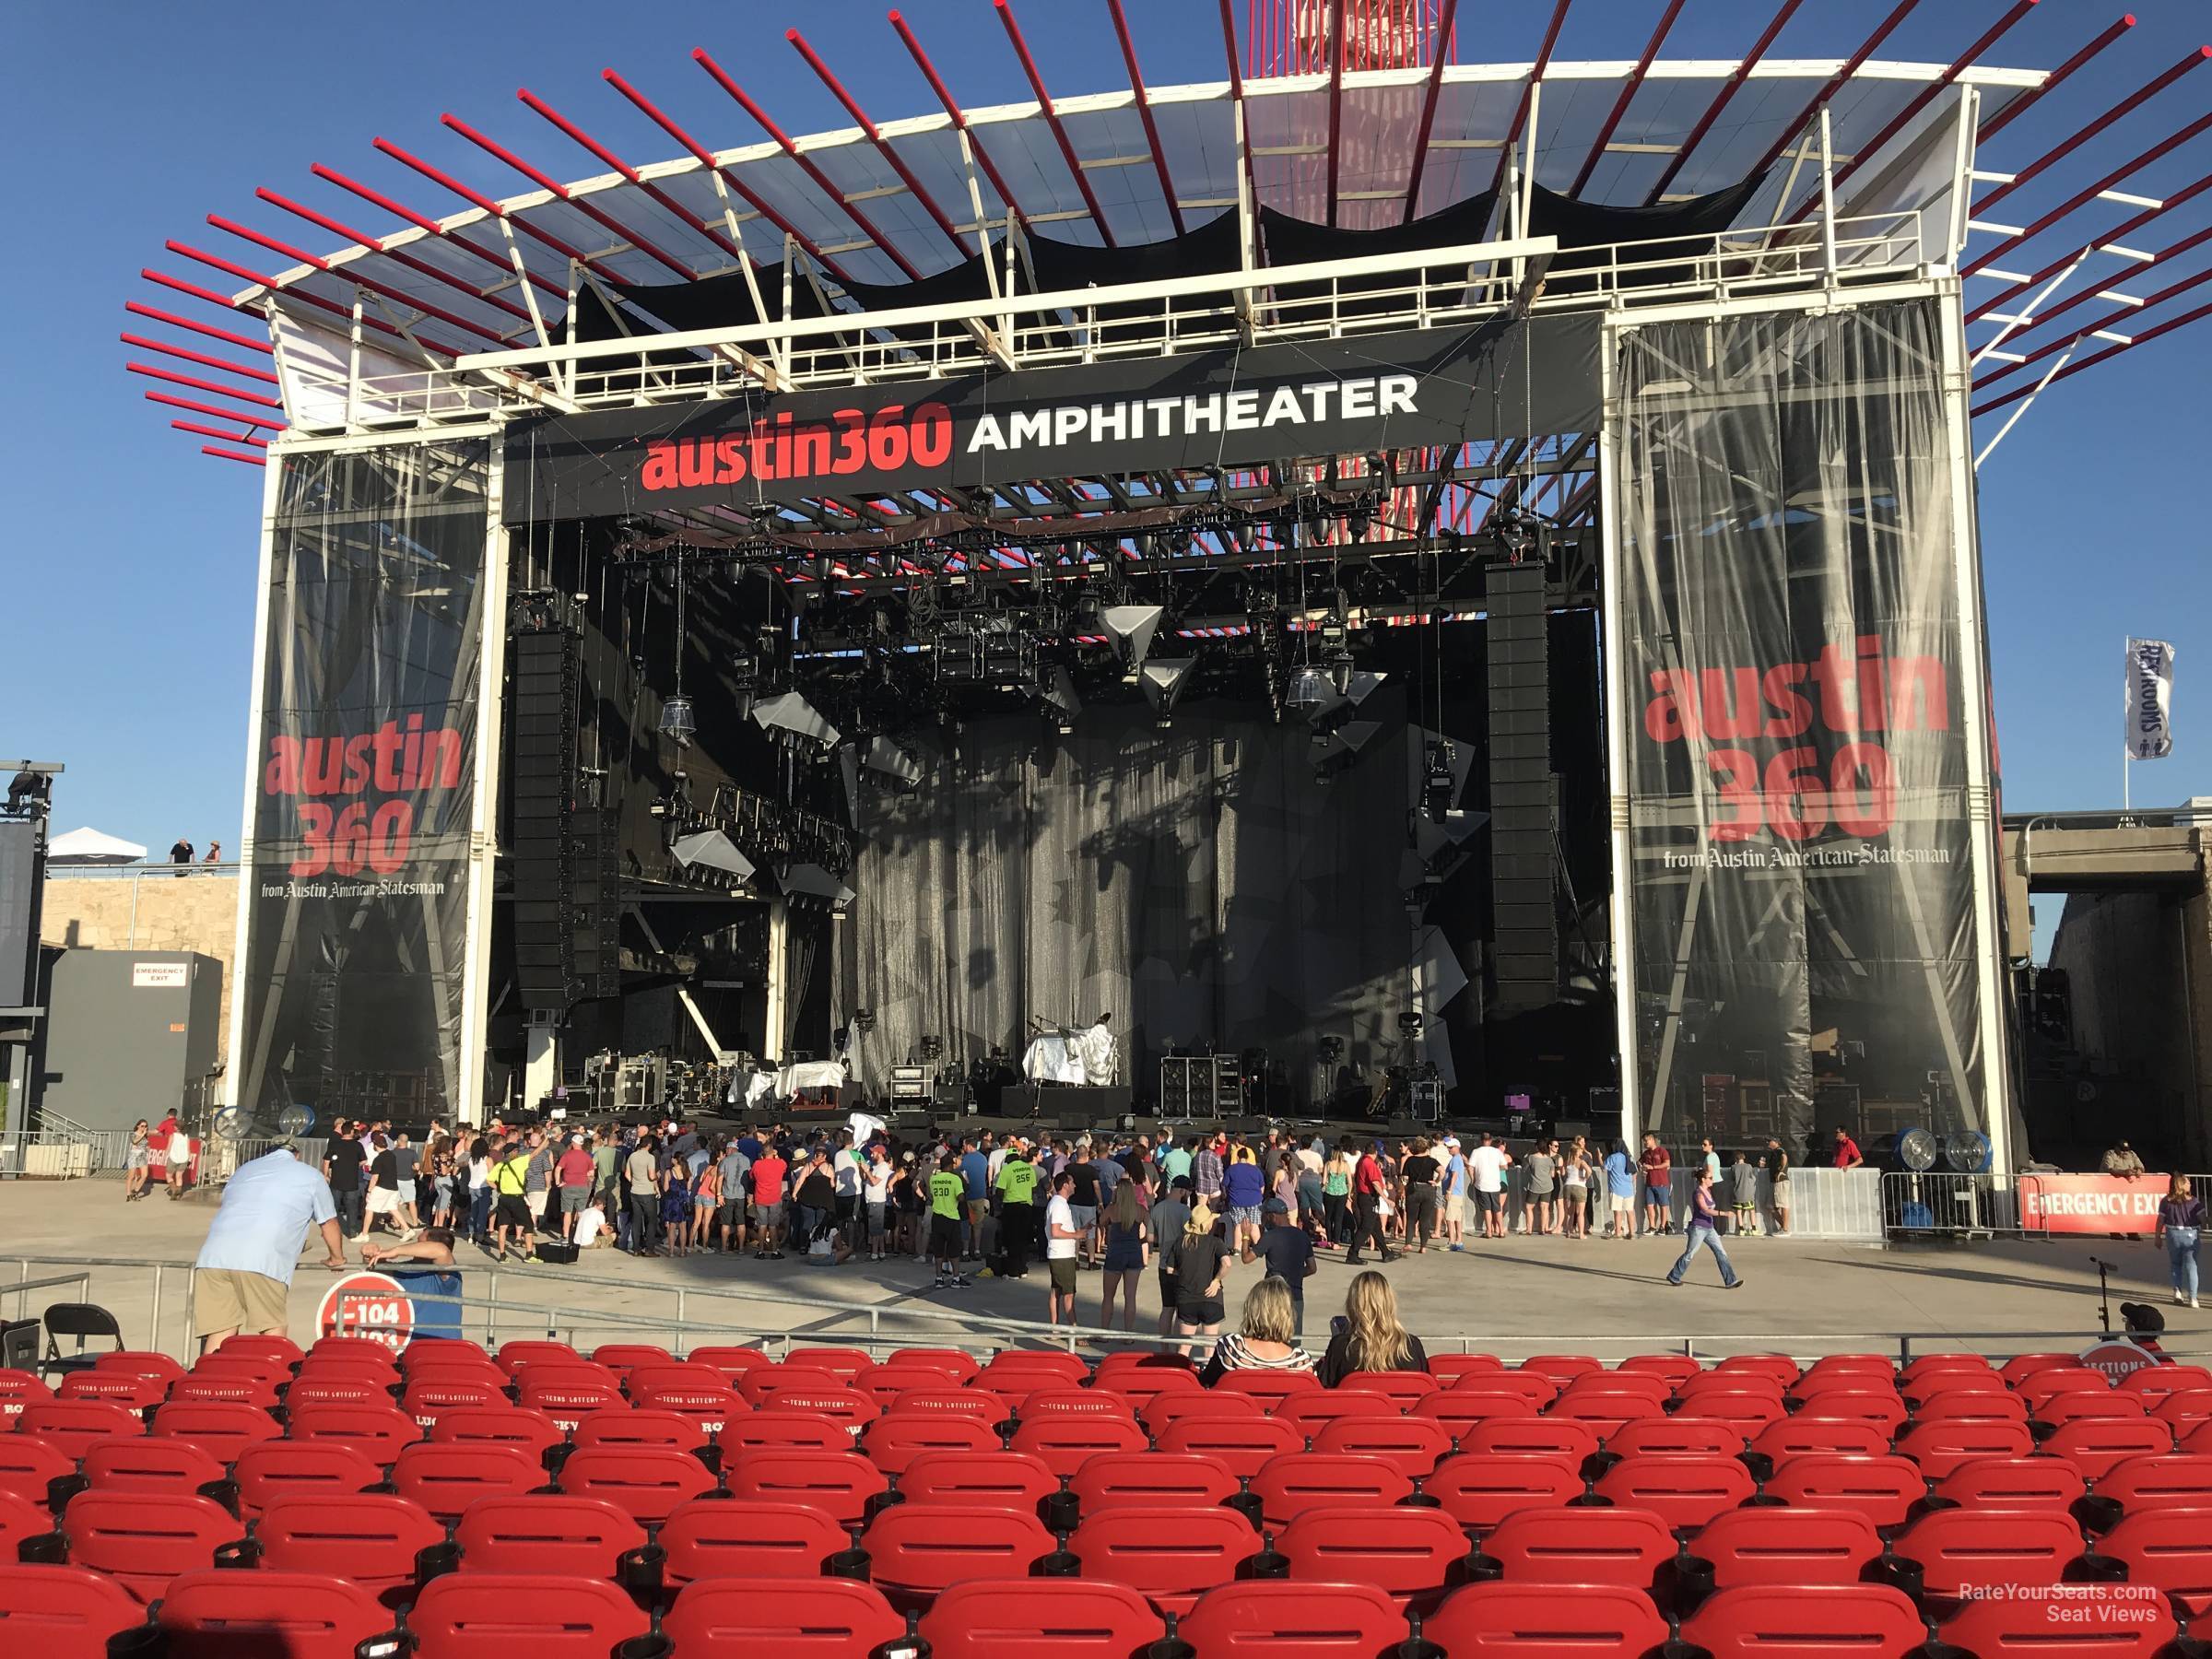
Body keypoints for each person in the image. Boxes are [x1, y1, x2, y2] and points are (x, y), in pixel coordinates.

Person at [192, 1142, 345, 1354]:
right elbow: (329, 1224)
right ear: (296, 1155)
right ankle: (268, 1381)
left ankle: (210, 1382)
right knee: (272, 1328)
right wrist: (336, 1258)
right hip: (262, 1261)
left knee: (220, 1332)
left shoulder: (244, 1170)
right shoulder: (310, 1175)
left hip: (213, 1258)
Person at [1316, 1270, 1429, 1386]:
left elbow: (1325, 1390)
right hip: (1402, 1405)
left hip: (1355, 1404)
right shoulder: (1412, 1346)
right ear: (1389, 1302)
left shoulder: (1342, 1347)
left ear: (1353, 1305)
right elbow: (1426, 1388)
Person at [1199, 1277, 1314, 1384]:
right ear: (1288, 1314)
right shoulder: (1302, 1363)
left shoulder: (1231, 1347)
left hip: (1238, 1406)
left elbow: (1206, 1384)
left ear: (1251, 1309)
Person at [1242, 1196, 1318, 1335]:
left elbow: (1246, 1258)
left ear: (1273, 1216)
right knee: (1293, 1338)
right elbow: (1312, 1268)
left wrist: (1246, 1236)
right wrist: (1295, 1274)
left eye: (1266, 1215)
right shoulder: (1302, 1236)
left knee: (1271, 1334)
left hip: (1273, 1295)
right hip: (1295, 1293)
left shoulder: (1270, 1237)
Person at [1665, 1167, 1745, 1290]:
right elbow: (1705, 1210)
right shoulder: (1698, 1193)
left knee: (1721, 1253)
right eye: (1710, 1178)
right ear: (1703, 1179)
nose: (1712, 1180)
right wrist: (1724, 1214)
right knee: (1690, 1254)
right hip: (1698, 1228)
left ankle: (1730, 1281)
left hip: (1709, 1228)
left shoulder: (1708, 1191)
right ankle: (1674, 1276)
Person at [1168, 1201, 1232, 1342]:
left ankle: (1182, 1365)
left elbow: (1170, 1270)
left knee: (1184, 1346)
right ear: (1208, 1224)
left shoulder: (1180, 1241)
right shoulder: (1215, 1242)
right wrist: (1216, 1280)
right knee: (1209, 1347)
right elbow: (1227, 1263)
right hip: (1211, 1299)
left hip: (1186, 1299)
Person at [1098, 1177, 1148, 1330]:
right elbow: (1150, 1230)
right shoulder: (1140, 1209)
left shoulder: (1112, 1209)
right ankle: (1128, 1334)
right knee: (1130, 1296)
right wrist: (1143, 1239)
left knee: (1108, 1296)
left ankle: (1104, 1331)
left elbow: (1101, 1222)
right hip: (1134, 1252)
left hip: (1115, 1253)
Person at [1151, 1177, 1193, 1337]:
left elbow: (1149, 1237)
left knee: (1167, 1308)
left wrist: (1163, 1238)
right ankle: (1177, 1346)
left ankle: (1164, 1348)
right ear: (1182, 1191)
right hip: (1181, 1265)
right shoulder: (1184, 1211)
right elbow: (1189, 1237)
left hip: (1163, 1264)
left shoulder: (1157, 1208)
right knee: (1181, 1310)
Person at [1043, 1170, 1085, 1329]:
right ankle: (1073, 1330)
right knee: (1068, 1294)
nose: (1075, 1185)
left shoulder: (1058, 1203)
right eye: (1072, 1182)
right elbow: (1056, 1231)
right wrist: (1076, 1235)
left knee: (1056, 1291)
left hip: (1058, 1254)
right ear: (1066, 1185)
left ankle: (1055, 1328)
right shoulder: (1059, 1204)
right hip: (1062, 1255)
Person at [1345, 1140, 1398, 1265]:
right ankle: (1352, 1254)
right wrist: (1386, 1198)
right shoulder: (1369, 1164)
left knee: (1376, 1227)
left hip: (1365, 1197)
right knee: (1366, 1227)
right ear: (1375, 1153)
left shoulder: (1362, 1161)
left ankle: (1386, 1252)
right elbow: (1375, 1183)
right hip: (1368, 1198)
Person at [2155, 1174, 2204, 1310]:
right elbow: (2202, 1219)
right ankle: (2193, 1298)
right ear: (2182, 1184)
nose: (2190, 1184)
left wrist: (2157, 1236)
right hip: (2191, 1234)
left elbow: (2160, 1220)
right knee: (2191, 1266)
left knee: (2176, 1264)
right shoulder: (2194, 1202)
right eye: (2188, 1182)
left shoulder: (2166, 1201)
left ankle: (2177, 1291)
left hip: (2173, 1234)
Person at [929, 1151, 969, 1289]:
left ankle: (939, 1278)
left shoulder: (933, 1179)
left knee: (939, 1250)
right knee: (954, 1250)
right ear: (951, 1165)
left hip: (937, 1216)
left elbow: (933, 1195)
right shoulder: (955, 1179)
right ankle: (956, 1278)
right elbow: (961, 1198)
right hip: (952, 1217)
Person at [490, 1139, 535, 1262]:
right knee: (528, 1224)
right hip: (516, 1198)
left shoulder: (500, 1165)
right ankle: (529, 1254)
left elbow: (489, 1180)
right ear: (512, 1153)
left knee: (502, 1226)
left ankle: (502, 1255)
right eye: (516, 1150)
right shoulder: (519, 1162)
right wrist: (546, 1139)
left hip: (503, 1198)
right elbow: (535, 1153)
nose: (518, 1152)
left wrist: (499, 1189)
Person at [624, 1133, 664, 1258]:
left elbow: (627, 1174)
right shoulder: (650, 1157)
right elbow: (652, 1176)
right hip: (647, 1192)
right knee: (651, 1220)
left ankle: (636, 1249)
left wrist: (634, 1182)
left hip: (635, 1191)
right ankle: (649, 1249)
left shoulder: (632, 1156)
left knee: (637, 1220)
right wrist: (658, 1177)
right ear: (649, 1145)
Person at [1467, 1133, 1512, 1241]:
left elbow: (1470, 1167)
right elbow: (1505, 1166)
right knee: (1497, 1208)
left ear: (1481, 1140)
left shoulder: (1476, 1152)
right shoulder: (1497, 1152)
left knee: (1487, 1209)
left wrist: (1473, 1178)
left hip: (1482, 1184)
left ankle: (1489, 1231)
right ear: (1491, 1140)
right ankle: (1501, 1231)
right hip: (1495, 1184)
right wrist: (1495, 1168)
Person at [1222, 1146, 1266, 1254]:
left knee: (1238, 1224)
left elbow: (1224, 1185)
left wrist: (1225, 1196)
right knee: (1254, 1224)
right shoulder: (1255, 1169)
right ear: (1247, 1157)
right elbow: (1262, 1186)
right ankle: (1258, 1248)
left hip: (1236, 1200)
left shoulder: (1231, 1169)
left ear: (1237, 1157)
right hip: (1254, 1199)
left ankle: (1237, 1248)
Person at [749, 1139, 788, 1260]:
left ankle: (760, 1251)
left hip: (760, 1197)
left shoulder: (757, 1164)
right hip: (774, 1198)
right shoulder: (780, 1163)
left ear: (762, 1153)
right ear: (773, 1152)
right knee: (773, 1226)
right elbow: (784, 1168)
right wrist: (776, 1156)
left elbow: (751, 1176)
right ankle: (774, 1250)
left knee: (762, 1225)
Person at [554, 1134, 595, 1242]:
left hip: (568, 1186)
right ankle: (582, 1236)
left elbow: (558, 1169)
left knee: (567, 1212)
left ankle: (566, 1237)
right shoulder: (587, 1157)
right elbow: (591, 1175)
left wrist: (558, 1182)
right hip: (583, 1186)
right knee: (581, 1212)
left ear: (573, 1143)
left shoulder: (567, 1155)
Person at [361, 1228, 456, 1268]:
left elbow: (441, 1250)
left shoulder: (447, 1274)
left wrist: (396, 1251)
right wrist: (371, 1255)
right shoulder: (409, 1267)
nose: (414, 1246)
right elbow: (383, 1273)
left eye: (420, 1243)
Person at [863, 1144, 894, 1263]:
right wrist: (865, 1170)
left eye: (874, 1152)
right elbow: (868, 1179)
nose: (871, 1154)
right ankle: (881, 1252)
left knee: (875, 1229)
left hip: (877, 1200)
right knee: (878, 1229)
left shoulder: (883, 1167)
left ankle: (874, 1254)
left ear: (880, 1153)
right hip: (872, 1199)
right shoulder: (875, 1166)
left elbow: (875, 1181)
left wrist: (867, 1171)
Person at [1639, 1134, 1674, 1236]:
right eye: (1644, 1141)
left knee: (1663, 1205)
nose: (1645, 1143)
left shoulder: (1662, 1151)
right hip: (1649, 1183)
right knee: (1649, 1205)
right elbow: (1639, 1162)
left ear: (1652, 1140)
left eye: (1646, 1140)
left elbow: (1667, 1164)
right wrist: (1642, 1167)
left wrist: (1653, 1167)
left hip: (1661, 1183)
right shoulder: (1646, 1153)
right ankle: (1652, 1226)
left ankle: (1662, 1227)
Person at [1524, 1139, 1558, 1238]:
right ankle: (1542, 1229)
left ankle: (1529, 1229)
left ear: (1536, 1147)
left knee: (1529, 1207)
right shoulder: (1549, 1159)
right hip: (1547, 1186)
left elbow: (1524, 1168)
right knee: (1544, 1208)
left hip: (1534, 1186)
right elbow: (1552, 1174)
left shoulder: (1531, 1158)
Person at [1603, 1142, 1636, 1240]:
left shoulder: (1613, 1157)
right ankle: (1631, 1233)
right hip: (1629, 1189)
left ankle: (1618, 1233)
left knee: (1617, 1211)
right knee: (1630, 1211)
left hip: (1616, 1188)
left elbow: (1604, 1168)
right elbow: (1635, 1173)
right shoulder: (1630, 1157)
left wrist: (1599, 1158)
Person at [1323, 1141, 1353, 1247]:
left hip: (1329, 1192)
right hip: (1342, 1193)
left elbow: (1324, 1181)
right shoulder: (1345, 1165)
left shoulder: (1328, 1164)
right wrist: (1349, 1194)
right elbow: (1350, 1182)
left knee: (1329, 1217)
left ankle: (1329, 1240)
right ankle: (1336, 1242)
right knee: (1338, 1218)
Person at [1560, 1137, 1591, 1240]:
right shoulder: (1581, 1162)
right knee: (1580, 1213)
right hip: (1579, 1186)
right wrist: (1584, 1178)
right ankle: (1581, 1234)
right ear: (1577, 1151)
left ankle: (1568, 1232)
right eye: (1580, 1150)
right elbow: (1589, 1171)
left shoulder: (1567, 1162)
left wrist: (1566, 1179)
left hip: (1568, 1186)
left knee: (1569, 1212)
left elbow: (1562, 1173)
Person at [1763, 1137, 1792, 1237]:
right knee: (1771, 1206)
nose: (1768, 1143)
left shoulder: (1779, 1150)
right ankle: (1784, 1226)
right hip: (1775, 1182)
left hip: (1781, 1181)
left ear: (1776, 1142)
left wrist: (1782, 1171)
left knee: (1783, 1204)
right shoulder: (1774, 1152)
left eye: (1769, 1141)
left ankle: (1785, 1229)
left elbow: (1784, 1157)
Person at [1727, 1150, 1760, 1236]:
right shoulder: (1749, 1166)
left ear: (1736, 1159)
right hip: (1748, 1193)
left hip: (1737, 1193)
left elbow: (1732, 1179)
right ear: (1744, 1158)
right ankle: (1754, 1229)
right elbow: (1752, 1177)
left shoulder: (1733, 1167)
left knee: (1739, 1210)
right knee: (1751, 1211)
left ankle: (1741, 1229)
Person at [163, 1113, 193, 1199]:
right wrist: (189, 1158)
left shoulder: (172, 1136)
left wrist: (165, 1156)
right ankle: (178, 1194)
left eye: (175, 1126)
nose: (173, 1127)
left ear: (178, 1128)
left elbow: (168, 1147)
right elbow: (188, 1149)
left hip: (173, 1158)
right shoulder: (186, 1137)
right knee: (179, 1176)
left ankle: (174, 1190)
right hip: (184, 1159)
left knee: (168, 1176)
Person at [124, 1120, 152, 1201]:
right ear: (138, 1126)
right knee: (131, 1176)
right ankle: (128, 1194)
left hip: (142, 1156)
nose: (144, 1128)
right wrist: (142, 1134)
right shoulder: (133, 1134)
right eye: (142, 1126)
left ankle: (135, 1192)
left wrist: (147, 1149)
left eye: (146, 1126)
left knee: (144, 1175)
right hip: (133, 1156)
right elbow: (134, 1141)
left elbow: (146, 1145)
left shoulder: (146, 1135)